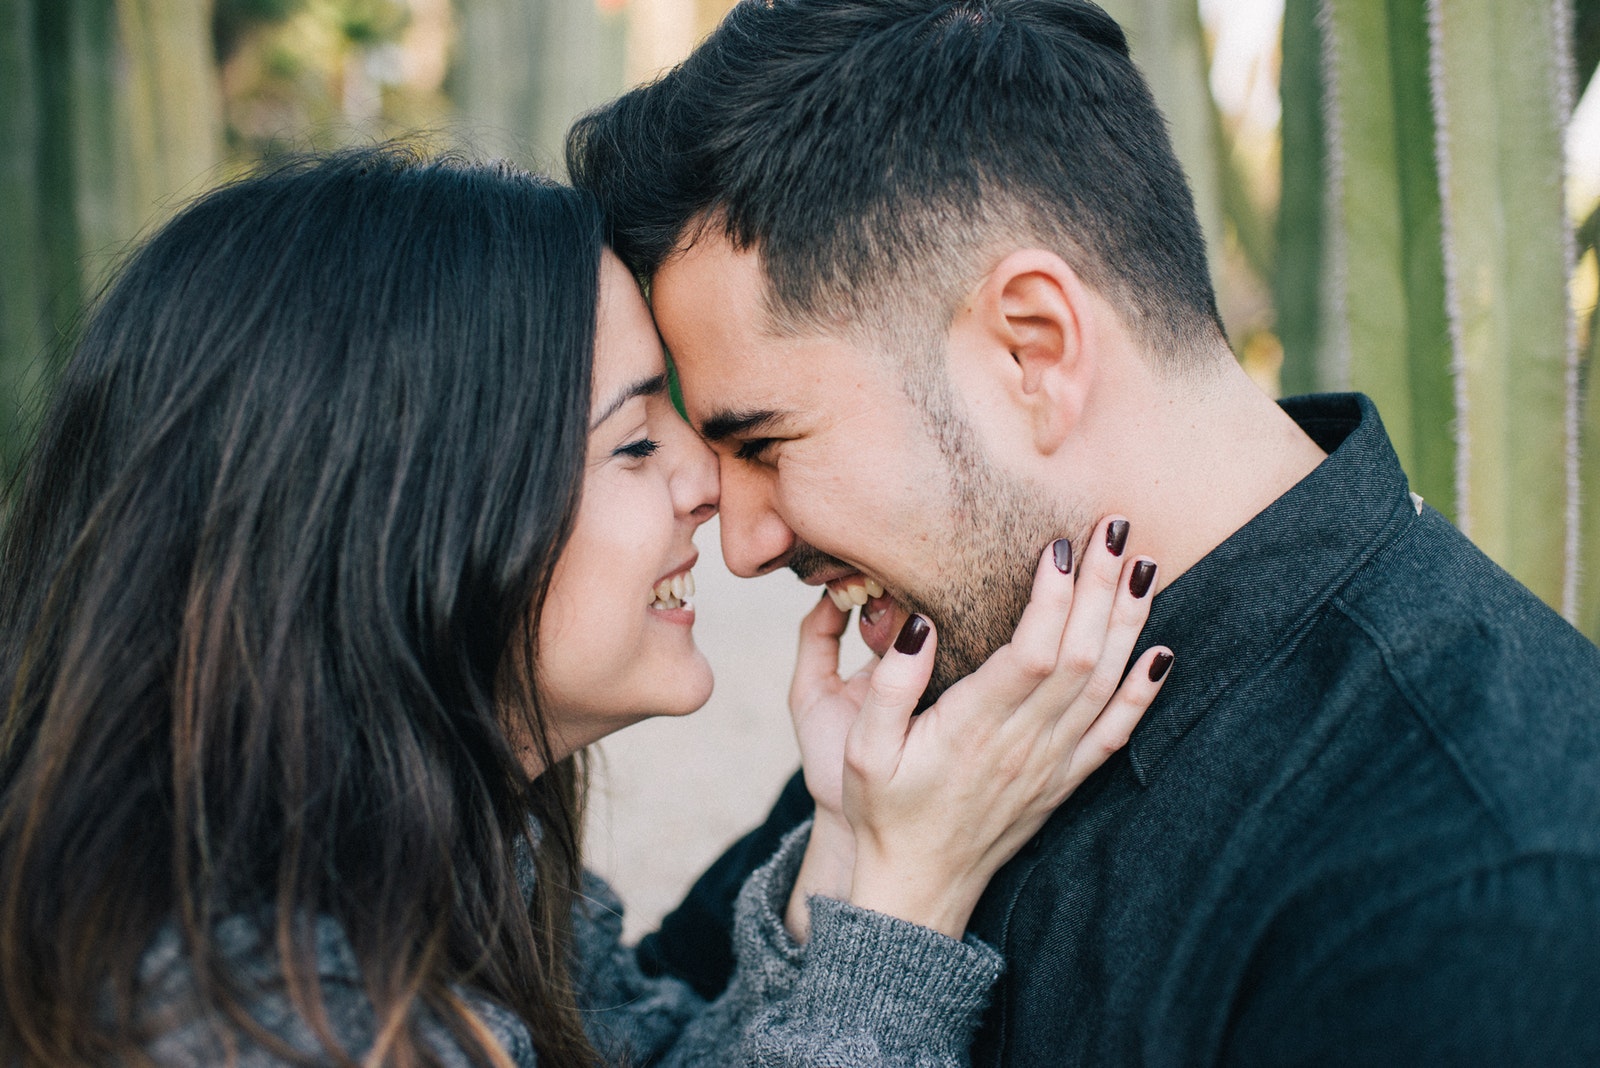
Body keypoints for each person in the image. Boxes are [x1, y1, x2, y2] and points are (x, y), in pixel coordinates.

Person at [566, 0, 1600, 1063]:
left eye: (767, 444)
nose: (741, 544)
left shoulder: (1488, 893)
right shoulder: (957, 675)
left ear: (1032, 349)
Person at [0, 146, 1173, 1067]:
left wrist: (855, 850)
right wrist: (909, 912)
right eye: (630, 440)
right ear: (417, 519)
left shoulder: (434, 868)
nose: (707, 483)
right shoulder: (239, 1022)